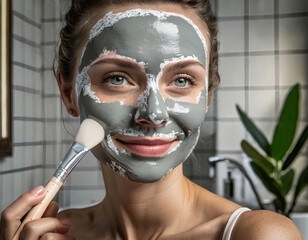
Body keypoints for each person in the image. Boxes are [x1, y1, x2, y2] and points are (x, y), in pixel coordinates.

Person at [0, 0, 302, 239]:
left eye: (182, 81)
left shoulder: (257, 235)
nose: (153, 114)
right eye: (117, 78)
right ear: (68, 94)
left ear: (207, 96)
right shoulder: (47, 234)